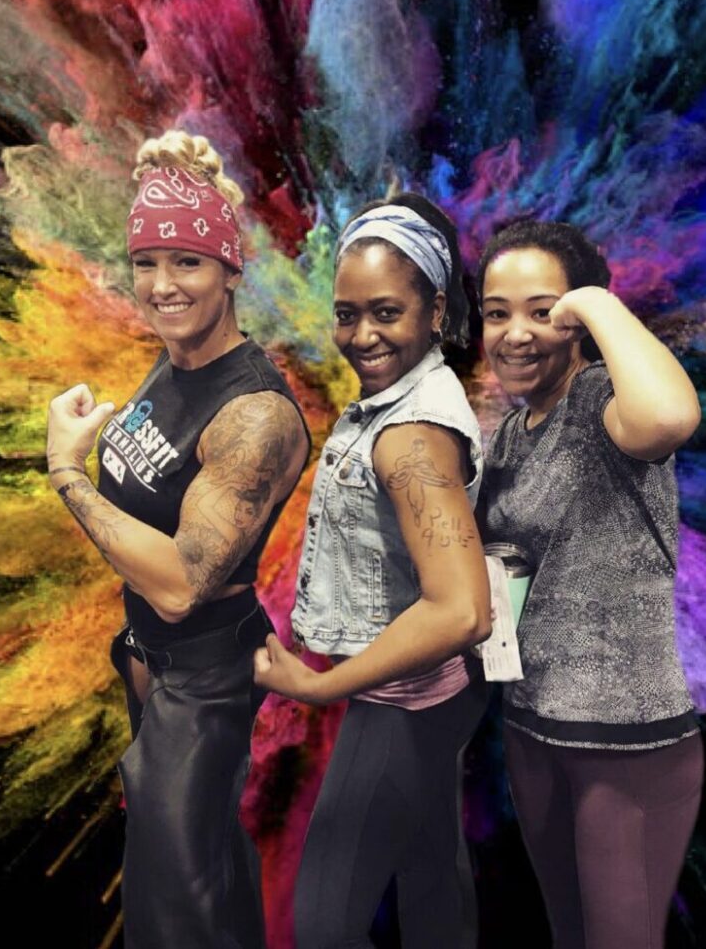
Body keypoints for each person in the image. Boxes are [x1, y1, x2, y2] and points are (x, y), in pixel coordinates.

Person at [45, 130, 310, 948]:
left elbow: (182, 580)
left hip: (204, 682)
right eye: (148, 262)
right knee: (201, 888)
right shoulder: (173, 362)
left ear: (231, 271)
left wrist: (68, 472)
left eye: (188, 263)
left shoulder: (255, 415)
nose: (163, 286)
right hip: (153, 667)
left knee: (174, 916)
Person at [251, 192, 493, 948]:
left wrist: (320, 685)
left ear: (436, 312)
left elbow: (461, 610)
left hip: (403, 702)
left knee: (322, 923)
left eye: (386, 312)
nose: (362, 335)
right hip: (433, 696)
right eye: (348, 313)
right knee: (432, 893)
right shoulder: (403, 402)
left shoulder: (410, 433)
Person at [476, 219, 704, 949]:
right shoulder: (513, 434)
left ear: (576, 317)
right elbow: (502, 576)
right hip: (533, 731)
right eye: (496, 312)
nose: (515, 333)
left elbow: (670, 416)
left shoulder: (604, 396)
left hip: (626, 745)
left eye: (541, 311)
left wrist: (597, 306)